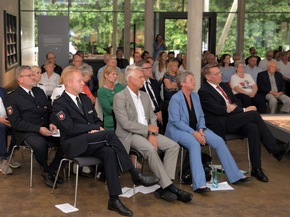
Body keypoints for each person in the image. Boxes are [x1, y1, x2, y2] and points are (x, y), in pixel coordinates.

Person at [52, 66, 159, 216]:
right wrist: (90, 129)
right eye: (79, 81)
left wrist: (94, 128)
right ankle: (134, 173)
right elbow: (70, 128)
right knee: (109, 135)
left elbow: (96, 119)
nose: (83, 83)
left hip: (91, 141)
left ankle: (114, 200)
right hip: (73, 145)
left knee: (109, 151)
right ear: (69, 83)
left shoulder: (84, 99)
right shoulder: (59, 103)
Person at [198, 63, 290, 182]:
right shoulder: (204, 91)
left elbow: (237, 100)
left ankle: (256, 169)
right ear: (208, 77)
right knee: (253, 114)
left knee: (253, 128)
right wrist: (242, 110)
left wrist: (234, 107)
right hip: (220, 123)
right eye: (216, 74)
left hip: (234, 117)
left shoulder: (224, 86)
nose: (220, 75)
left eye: (220, 72)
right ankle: (274, 148)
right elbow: (219, 110)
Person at [113, 65, 193, 203]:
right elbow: (125, 123)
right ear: (130, 79)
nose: (143, 79)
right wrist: (148, 131)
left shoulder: (144, 95)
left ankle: (164, 187)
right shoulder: (120, 97)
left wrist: (152, 134)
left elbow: (152, 117)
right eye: (140, 77)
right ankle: (171, 187)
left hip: (148, 132)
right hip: (130, 135)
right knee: (150, 149)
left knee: (173, 146)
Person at [166, 72, 251, 192]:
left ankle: (235, 175)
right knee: (194, 143)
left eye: (194, 79)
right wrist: (194, 133)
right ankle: (199, 184)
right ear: (182, 83)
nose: (194, 82)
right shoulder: (175, 98)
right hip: (178, 130)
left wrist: (200, 128)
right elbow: (175, 121)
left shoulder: (195, 96)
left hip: (197, 128)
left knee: (219, 141)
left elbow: (201, 115)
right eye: (191, 80)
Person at [6, 66, 63, 188]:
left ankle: (52, 169)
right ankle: (47, 171)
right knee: (40, 144)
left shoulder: (39, 92)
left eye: (33, 75)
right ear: (20, 79)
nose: (34, 77)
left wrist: (52, 123)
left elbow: (50, 111)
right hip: (26, 132)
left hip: (45, 129)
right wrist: (38, 129)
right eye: (30, 75)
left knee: (67, 140)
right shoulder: (12, 97)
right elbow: (16, 123)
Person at [136, 60, 163, 134]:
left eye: (150, 67)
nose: (150, 69)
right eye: (147, 68)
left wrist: (160, 111)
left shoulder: (155, 83)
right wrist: (153, 114)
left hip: (158, 113)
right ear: (139, 70)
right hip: (145, 116)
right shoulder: (137, 86)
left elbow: (159, 100)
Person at [0, 87, 21, 175]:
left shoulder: (3, 91)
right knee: (2, 127)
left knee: (18, 127)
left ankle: (10, 156)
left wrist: (12, 118)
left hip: (6, 119)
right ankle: (4, 160)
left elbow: (10, 106)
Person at [97, 65, 125, 130]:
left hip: (123, 119)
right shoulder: (101, 91)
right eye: (113, 74)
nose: (115, 76)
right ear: (106, 75)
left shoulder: (120, 87)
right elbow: (108, 109)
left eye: (116, 74)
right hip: (111, 121)